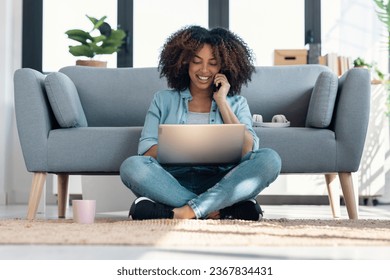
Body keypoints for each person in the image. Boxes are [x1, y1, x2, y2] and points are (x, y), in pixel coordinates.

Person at [120, 25, 281, 221]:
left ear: (223, 66)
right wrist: (186, 147)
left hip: (220, 181)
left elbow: (248, 150)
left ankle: (179, 212)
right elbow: (146, 151)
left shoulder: (237, 103)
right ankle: (215, 209)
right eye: (197, 61)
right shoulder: (162, 100)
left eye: (213, 63)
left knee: (270, 159)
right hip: (171, 181)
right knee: (132, 166)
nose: (204, 70)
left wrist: (222, 102)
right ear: (185, 62)